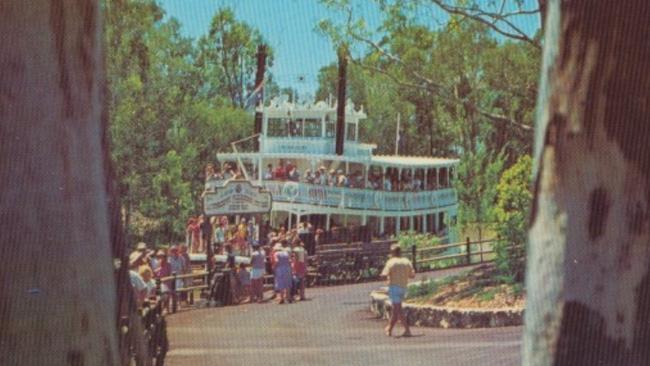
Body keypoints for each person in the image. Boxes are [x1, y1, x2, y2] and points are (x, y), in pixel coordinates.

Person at [380, 244, 415, 337]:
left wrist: (388, 277)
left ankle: (405, 330)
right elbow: (412, 275)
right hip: (403, 287)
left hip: (394, 287)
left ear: (392, 253)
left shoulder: (391, 262)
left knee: (397, 310)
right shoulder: (406, 261)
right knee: (397, 309)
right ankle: (390, 329)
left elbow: (383, 274)